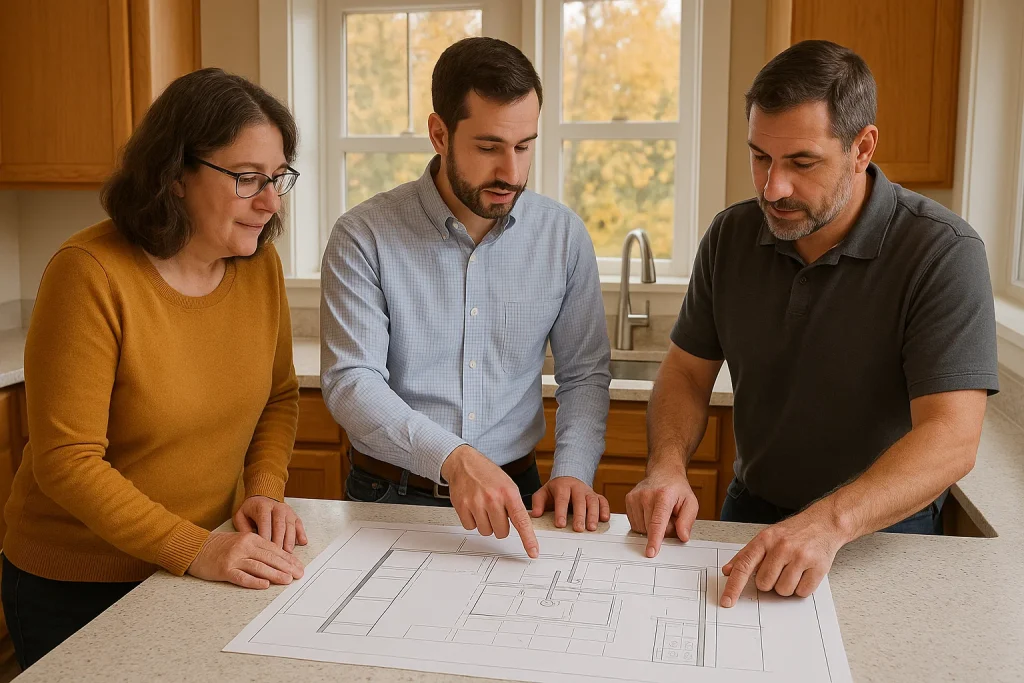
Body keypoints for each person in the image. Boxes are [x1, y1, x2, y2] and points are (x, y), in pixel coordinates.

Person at [624, 40, 998, 607]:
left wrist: (829, 523)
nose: (773, 188)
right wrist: (666, 467)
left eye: (802, 162)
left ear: (862, 147)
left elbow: (953, 437)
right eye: (760, 157)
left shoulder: (942, 252)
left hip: (881, 531)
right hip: (750, 510)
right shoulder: (730, 237)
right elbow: (685, 373)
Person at [2, 68, 308, 669]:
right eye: (247, 178)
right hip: (79, 582)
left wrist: (264, 492)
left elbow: (279, 397)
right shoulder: (89, 273)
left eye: (276, 178)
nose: (270, 201)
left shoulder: (258, 269)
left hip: (201, 560)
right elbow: (67, 460)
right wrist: (194, 548)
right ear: (175, 176)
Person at [321, 37, 612, 557]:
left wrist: (572, 471)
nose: (512, 173)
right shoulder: (364, 235)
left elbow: (584, 373)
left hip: (520, 494)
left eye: (524, 146)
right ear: (439, 133)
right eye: (488, 147)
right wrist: (452, 458)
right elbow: (351, 381)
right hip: (389, 497)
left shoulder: (562, 237)